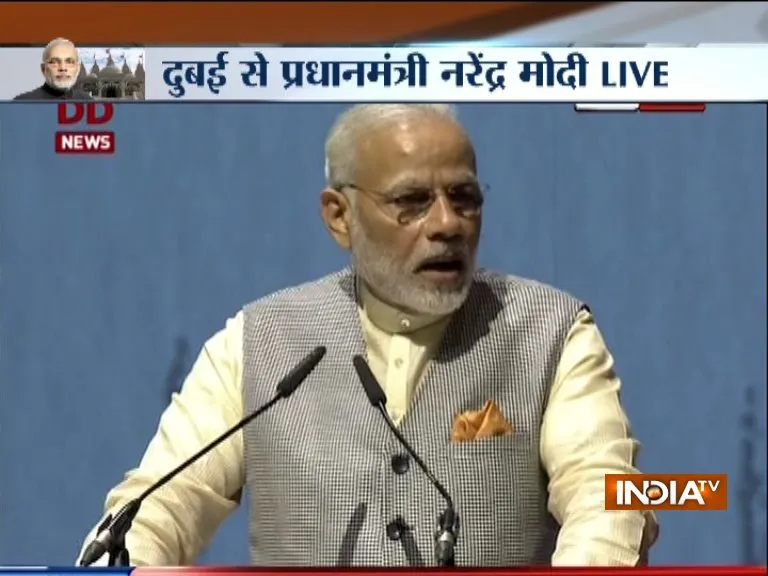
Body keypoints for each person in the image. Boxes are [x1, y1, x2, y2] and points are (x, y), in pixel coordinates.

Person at [78, 103, 658, 567]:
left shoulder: (551, 332)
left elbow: (607, 495)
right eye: (411, 202)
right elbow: (160, 503)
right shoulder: (258, 341)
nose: (447, 224)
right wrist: (124, 561)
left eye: (464, 199)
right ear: (340, 216)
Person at [14, 38, 92, 101]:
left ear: (78, 69)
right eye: (54, 62)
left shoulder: (88, 102)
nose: (63, 68)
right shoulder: (22, 103)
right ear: (43, 69)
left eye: (69, 62)